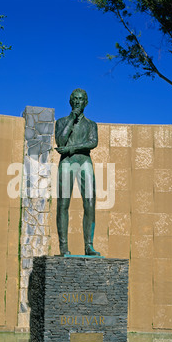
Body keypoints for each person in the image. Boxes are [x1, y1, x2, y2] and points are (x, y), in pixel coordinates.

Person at [55, 88, 100, 256]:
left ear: (86, 102)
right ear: (70, 101)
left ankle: (89, 245)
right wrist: (71, 119)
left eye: (81, 99)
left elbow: (92, 143)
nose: (77, 102)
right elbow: (60, 140)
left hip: (84, 161)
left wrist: (72, 148)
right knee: (63, 204)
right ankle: (63, 247)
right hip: (66, 162)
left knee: (89, 203)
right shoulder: (60, 122)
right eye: (74, 99)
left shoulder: (91, 124)